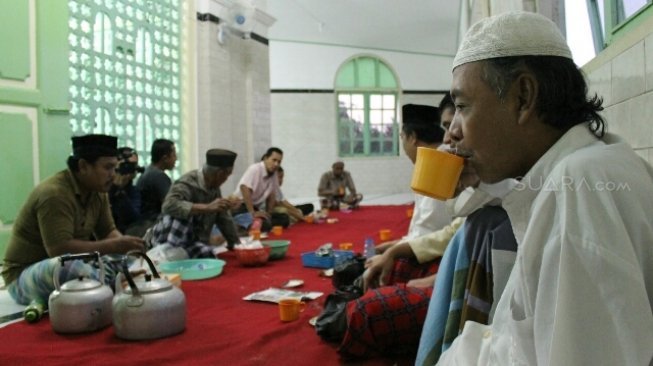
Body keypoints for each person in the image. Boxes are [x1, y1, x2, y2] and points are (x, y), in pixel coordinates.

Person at [436, 11, 653, 365]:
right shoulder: (586, 165)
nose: (451, 133)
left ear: (523, 96)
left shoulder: (580, 194)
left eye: (462, 107)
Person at [336, 103, 454, 358]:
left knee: (363, 310)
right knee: (357, 271)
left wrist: (398, 250)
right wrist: (394, 248)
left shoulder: (448, 162)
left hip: (438, 264)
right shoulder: (435, 162)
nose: (448, 138)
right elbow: (431, 228)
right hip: (427, 256)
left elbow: (449, 234)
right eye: (445, 127)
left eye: (401, 137)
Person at [1, 134, 145, 305]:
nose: (113, 175)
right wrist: (114, 246)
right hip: (25, 276)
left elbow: (108, 233)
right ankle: (111, 283)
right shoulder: (54, 193)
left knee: (131, 261)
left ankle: (107, 282)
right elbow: (59, 250)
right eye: (107, 168)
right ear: (83, 166)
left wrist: (129, 249)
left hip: (78, 262)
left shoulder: (99, 191)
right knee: (67, 268)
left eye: (114, 168)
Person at [149, 149, 241, 257]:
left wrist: (237, 246)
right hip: (169, 242)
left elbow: (224, 218)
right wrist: (206, 208)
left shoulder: (214, 189)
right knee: (183, 214)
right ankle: (168, 257)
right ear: (220, 174)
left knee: (209, 256)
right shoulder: (187, 183)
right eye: (227, 175)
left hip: (193, 242)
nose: (226, 179)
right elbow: (168, 206)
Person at [231, 147, 284, 232]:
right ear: (266, 158)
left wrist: (269, 215)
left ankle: (252, 224)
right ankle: (240, 224)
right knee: (266, 225)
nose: (276, 164)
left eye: (279, 162)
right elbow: (244, 188)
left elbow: (271, 195)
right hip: (242, 206)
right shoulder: (255, 169)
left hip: (256, 208)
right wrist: (252, 213)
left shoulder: (274, 174)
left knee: (284, 219)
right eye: (274, 160)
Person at [137, 139, 177, 223]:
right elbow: (172, 205)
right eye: (174, 155)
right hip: (153, 223)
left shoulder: (148, 171)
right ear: (165, 158)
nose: (176, 159)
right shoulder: (158, 176)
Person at [109, 147, 143, 234]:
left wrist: (121, 193)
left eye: (134, 165)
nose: (129, 168)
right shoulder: (104, 184)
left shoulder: (133, 190)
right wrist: (114, 187)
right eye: (126, 164)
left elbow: (134, 218)